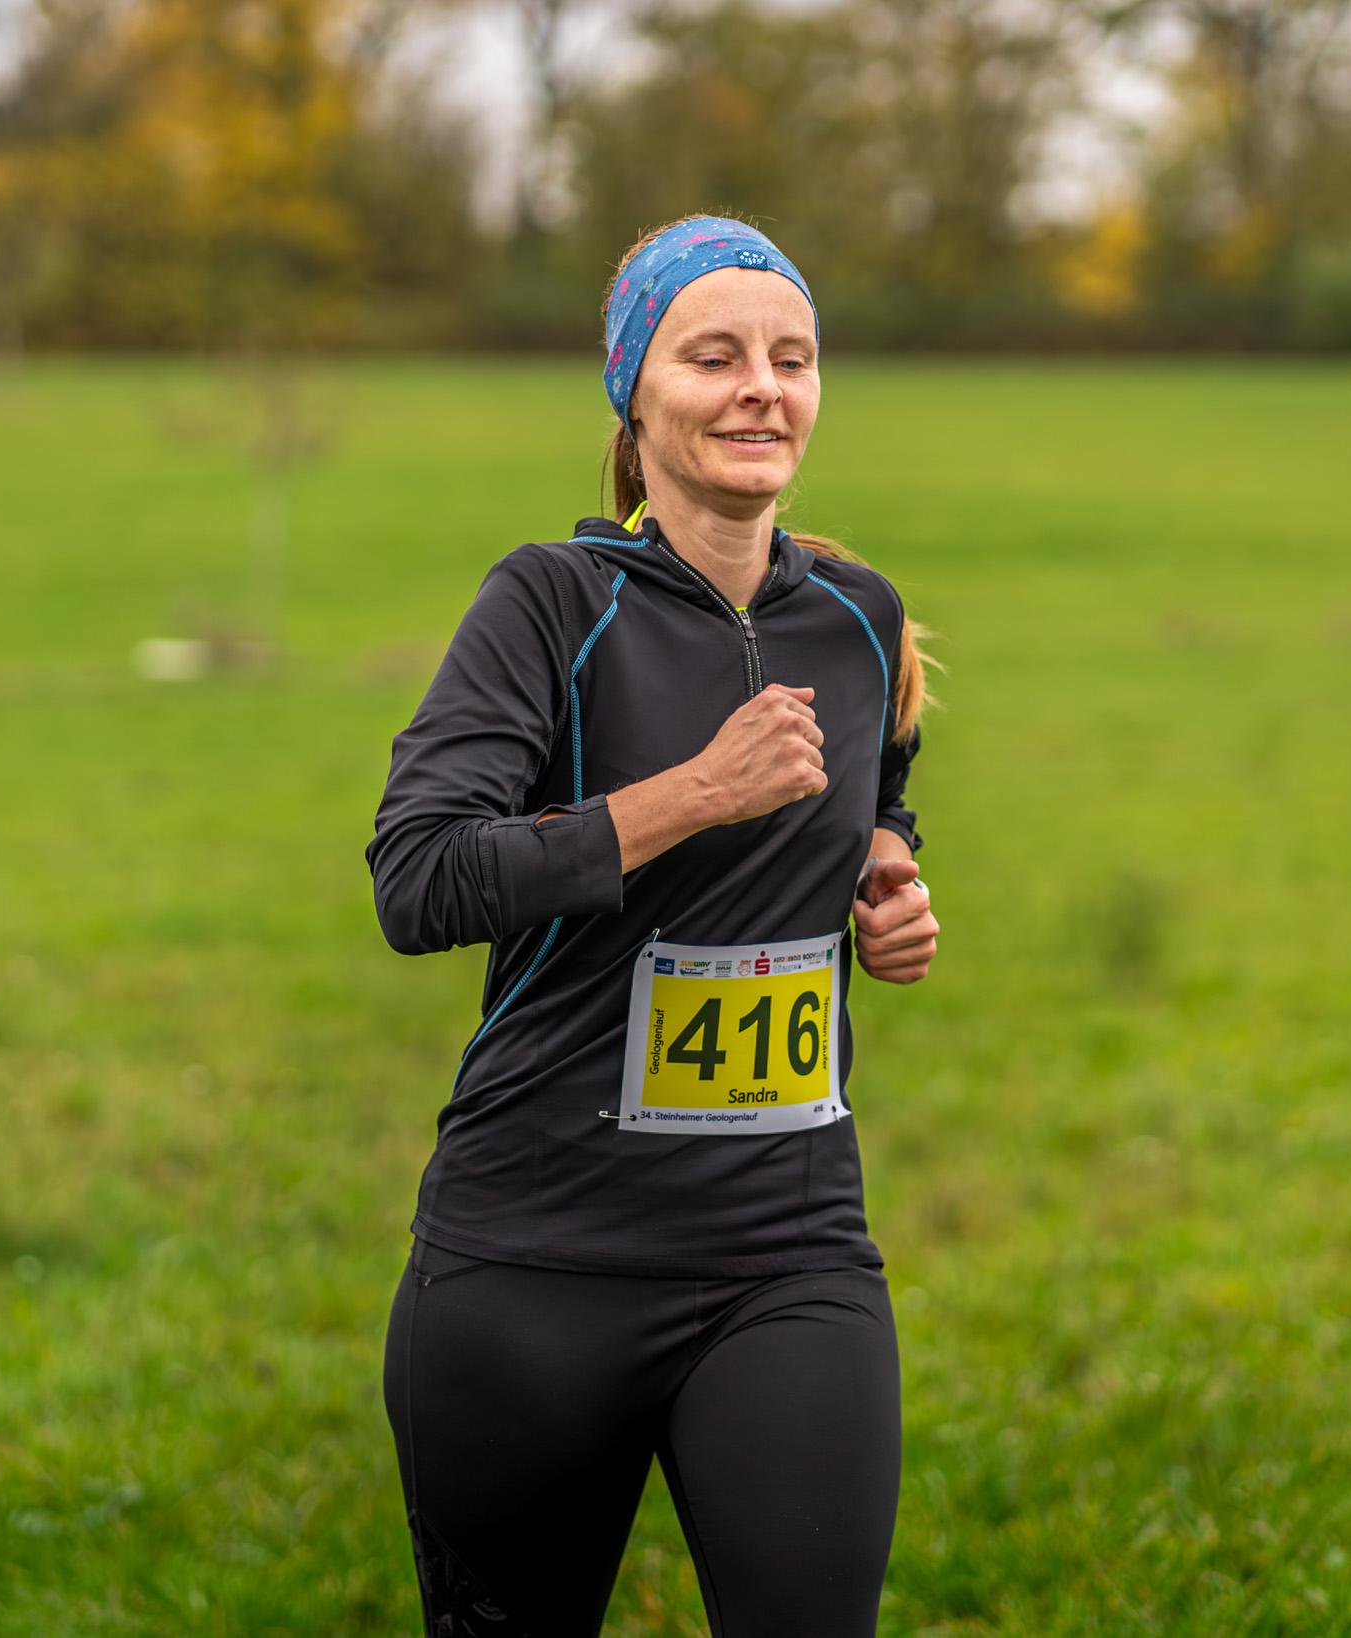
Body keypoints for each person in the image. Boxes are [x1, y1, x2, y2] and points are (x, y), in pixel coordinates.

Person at [366, 215, 939, 1638]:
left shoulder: (859, 617)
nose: (762, 388)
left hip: (789, 1251)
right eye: (714, 355)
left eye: (792, 357)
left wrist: (885, 865)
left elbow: (881, 780)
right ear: (635, 394)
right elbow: (419, 878)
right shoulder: (549, 604)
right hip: (535, 1260)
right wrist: (693, 796)